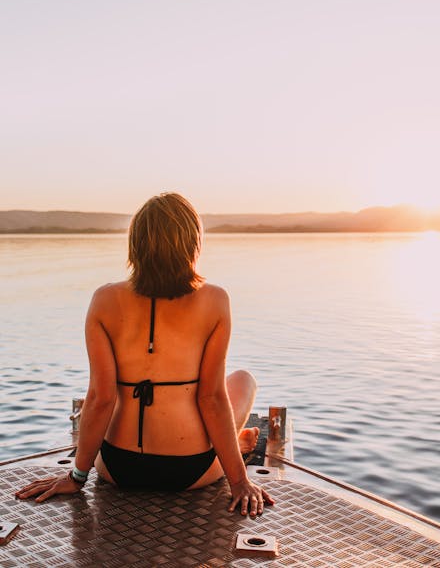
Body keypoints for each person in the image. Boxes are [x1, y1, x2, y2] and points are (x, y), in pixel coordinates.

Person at [16, 192, 274, 518]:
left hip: (117, 469)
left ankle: (238, 440)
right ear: (192, 243)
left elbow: (99, 398)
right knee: (242, 380)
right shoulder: (215, 300)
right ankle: (238, 442)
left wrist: (76, 477)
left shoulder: (104, 300)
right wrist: (239, 482)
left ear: (135, 243)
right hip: (189, 472)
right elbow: (211, 398)